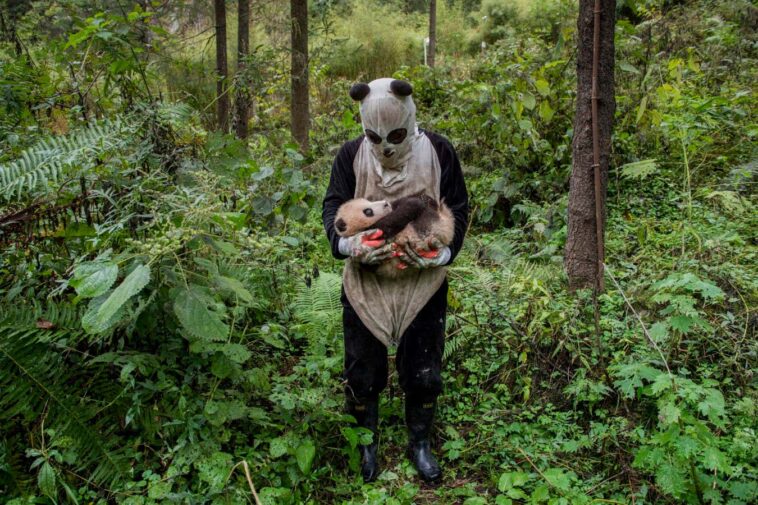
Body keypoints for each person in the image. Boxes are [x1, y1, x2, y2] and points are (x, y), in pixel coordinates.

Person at [322, 78, 468, 483]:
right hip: (365, 284)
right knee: (361, 371)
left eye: (396, 136)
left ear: (409, 117)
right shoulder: (351, 154)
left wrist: (444, 253)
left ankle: (419, 442)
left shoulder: (439, 151)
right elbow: (333, 206)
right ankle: (367, 443)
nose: (385, 147)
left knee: (424, 371)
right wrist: (348, 247)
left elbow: (458, 205)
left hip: (423, 285)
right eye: (375, 137)